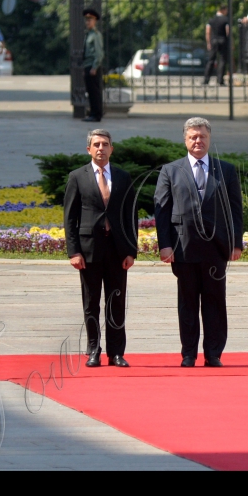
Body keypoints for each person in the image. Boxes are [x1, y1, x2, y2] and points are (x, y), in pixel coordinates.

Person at [154, 118, 244, 368]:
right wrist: (165, 244)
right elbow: (162, 211)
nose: (198, 141)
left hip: (216, 248)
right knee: (188, 303)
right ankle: (189, 354)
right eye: (193, 136)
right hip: (183, 248)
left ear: (209, 138)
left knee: (215, 302)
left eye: (202, 136)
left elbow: (236, 210)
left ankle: (213, 353)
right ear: (185, 140)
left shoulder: (225, 170)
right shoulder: (170, 171)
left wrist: (236, 243)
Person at [64, 129, 138, 368]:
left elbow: (130, 216)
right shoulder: (77, 177)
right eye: (96, 144)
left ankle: (117, 353)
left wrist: (131, 250)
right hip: (89, 251)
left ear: (111, 149)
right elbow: (70, 218)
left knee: (116, 302)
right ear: (88, 149)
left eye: (105, 144)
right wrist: (73, 251)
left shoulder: (123, 177)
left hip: (117, 251)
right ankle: (93, 350)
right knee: (91, 303)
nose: (100, 148)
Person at [82, 8, 105, 123]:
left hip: (93, 66)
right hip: (88, 65)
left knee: (95, 92)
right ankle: (93, 113)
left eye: (90, 20)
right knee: (91, 91)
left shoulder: (95, 35)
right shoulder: (89, 34)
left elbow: (99, 53)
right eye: (86, 20)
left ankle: (96, 114)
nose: (88, 22)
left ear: (95, 21)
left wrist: (94, 67)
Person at [204, 4, 229, 86]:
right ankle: (220, 80)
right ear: (223, 10)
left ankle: (206, 80)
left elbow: (208, 31)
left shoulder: (211, 20)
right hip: (223, 40)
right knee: (222, 60)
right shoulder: (225, 19)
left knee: (211, 60)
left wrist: (208, 42)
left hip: (214, 40)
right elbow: (227, 32)